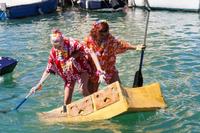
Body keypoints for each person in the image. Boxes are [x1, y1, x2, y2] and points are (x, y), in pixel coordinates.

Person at [30, 28, 104, 113]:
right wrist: (39, 84)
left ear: (63, 41)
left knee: (83, 89)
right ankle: (66, 114)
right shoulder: (53, 52)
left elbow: (90, 52)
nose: (57, 49)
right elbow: (48, 69)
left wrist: (99, 70)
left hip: (81, 69)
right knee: (66, 100)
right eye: (55, 47)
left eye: (59, 46)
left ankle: (94, 106)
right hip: (69, 75)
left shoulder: (72, 43)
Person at [83, 20, 145, 94]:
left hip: (109, 67)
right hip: (94, 70)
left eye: (107, 34)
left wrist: (136, 47)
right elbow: (82, 52)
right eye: (102, 35)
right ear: (97, 32)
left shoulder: (110, 39)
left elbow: (121, 44)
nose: (105, 37)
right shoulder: (89, 40)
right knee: (92, 94)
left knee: (119, 90)